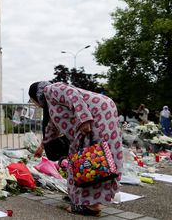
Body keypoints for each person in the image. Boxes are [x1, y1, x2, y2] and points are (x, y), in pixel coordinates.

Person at [29, 81, 123, 216]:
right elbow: (51, 129)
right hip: (96, 114)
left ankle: (91, 205)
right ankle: (81, 197)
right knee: (90, 160)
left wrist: (84, 118)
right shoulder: (51, 106)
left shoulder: (50, 89)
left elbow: (71, 94)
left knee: (91, 160)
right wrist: (41, 147)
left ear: (36, 95)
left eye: (33, 101)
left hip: (97, 114)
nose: (35, 104)